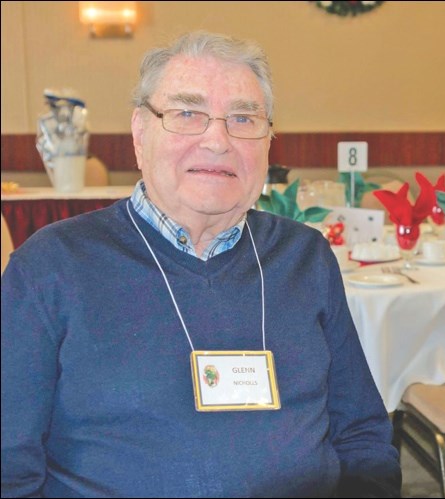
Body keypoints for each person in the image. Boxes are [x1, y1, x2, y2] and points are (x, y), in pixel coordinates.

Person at [1, 31, 400, 497]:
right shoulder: (52, 266)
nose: (218, 140)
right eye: (187, 113)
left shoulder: (305, 258)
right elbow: (9, 467)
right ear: (139, 133)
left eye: (243, 118)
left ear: (269, 142)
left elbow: (361, 437)